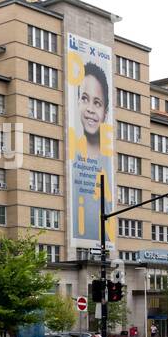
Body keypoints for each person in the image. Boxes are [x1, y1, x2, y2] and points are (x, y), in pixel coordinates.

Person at [69, 61, 112, 245]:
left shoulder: (109, 164)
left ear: (105, 113)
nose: (90, 109)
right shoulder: (72, 160)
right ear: (78, 102)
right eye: (85, 98)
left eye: (97, 103)